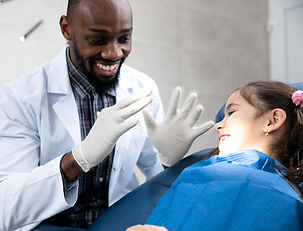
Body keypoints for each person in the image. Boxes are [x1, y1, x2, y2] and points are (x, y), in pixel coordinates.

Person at [0, 0, 213, 230]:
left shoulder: (143, 89)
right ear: (67, 28)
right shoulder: (22, 96)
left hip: (120, 223)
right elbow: (2, 211)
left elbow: (156, 184)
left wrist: (168, 162)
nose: (113, 53)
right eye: (97, 39)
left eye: (124, 38)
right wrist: (78, 159)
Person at [128, 81, 303, 231]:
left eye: (232, 112)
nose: (218, 125)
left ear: (272, 120)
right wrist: (167, 163)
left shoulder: (286, 199)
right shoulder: (200, 170)